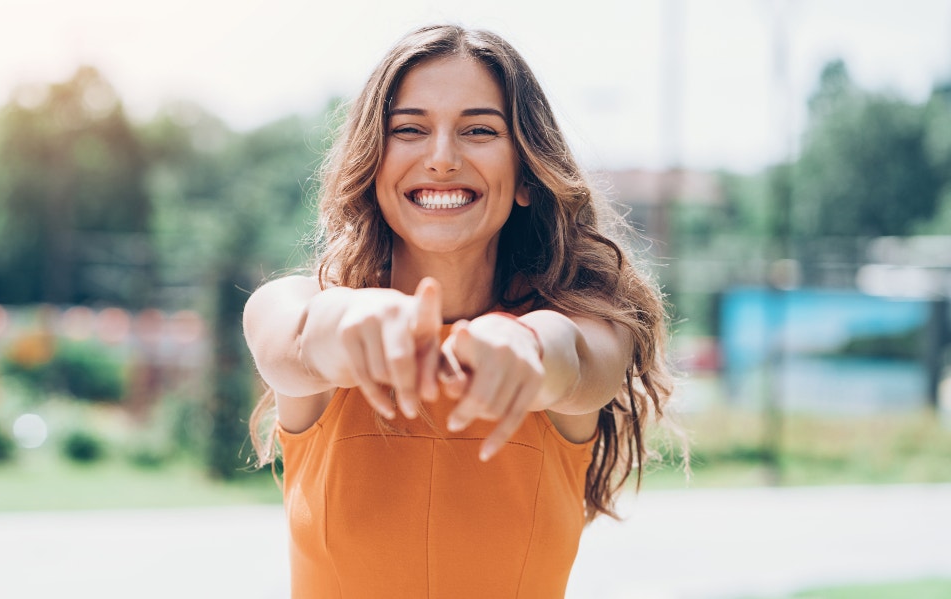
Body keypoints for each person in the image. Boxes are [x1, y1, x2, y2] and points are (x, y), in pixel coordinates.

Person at [243, 24, 674, 598]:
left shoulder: (591, 325)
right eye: (410, 130)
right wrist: (353, 323)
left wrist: (523, 347)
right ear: (374, 166)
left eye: (478, 130)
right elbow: (294, 339)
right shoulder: (300, 304)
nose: (442, 158)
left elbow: (570, 357)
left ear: (525, 175)